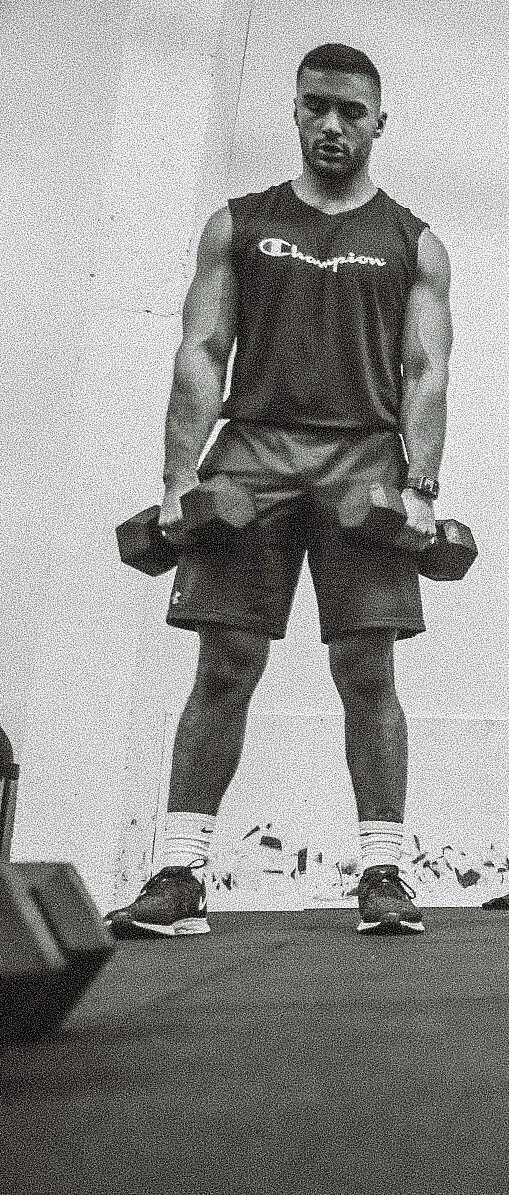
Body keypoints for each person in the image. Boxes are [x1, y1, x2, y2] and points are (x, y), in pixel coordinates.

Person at [105, 43, 452, 937]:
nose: (332, 125)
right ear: (295, 111)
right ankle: (180, 874)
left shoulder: (413, 242)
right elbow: (201, 350)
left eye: (351, 111)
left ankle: (384, 872)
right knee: (225, 664)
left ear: (380, 123)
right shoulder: (239, 223)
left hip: (364, 455)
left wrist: (421, 484)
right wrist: (179, 477)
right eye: (315, 106)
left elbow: (424, 368)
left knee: (366, 669)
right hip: (252, 449)